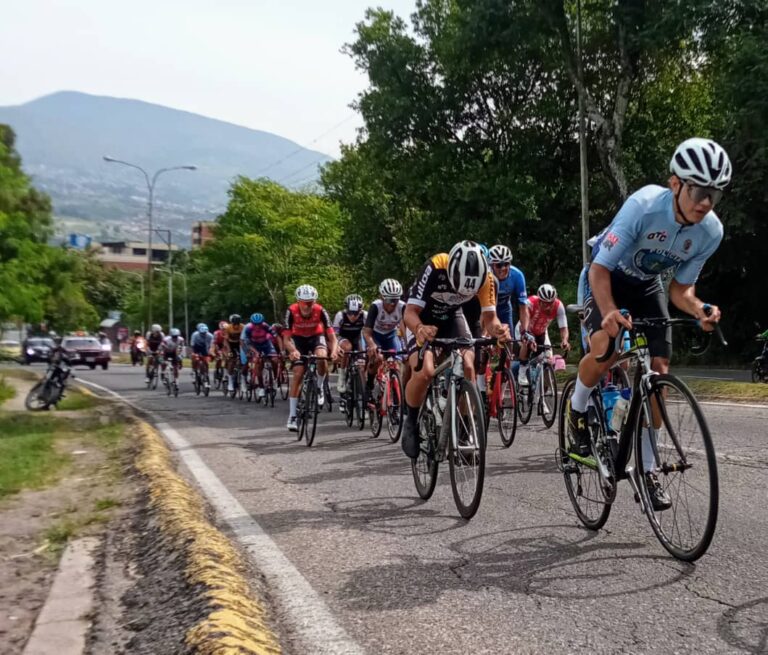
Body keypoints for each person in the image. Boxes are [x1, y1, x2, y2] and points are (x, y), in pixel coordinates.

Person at [568, 137, 731, 511]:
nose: (706, 202)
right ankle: (577, 407)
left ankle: (647, 464)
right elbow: (599, 267)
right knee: (605, 350)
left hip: (646, 286)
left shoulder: (710, 231)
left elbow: (681, 289)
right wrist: (608, 311)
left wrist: (700, 309)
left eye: (715, 195)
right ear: (676, 184)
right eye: (700, 191)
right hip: (606, 277)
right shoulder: (643, 205)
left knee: (659, 371)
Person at [401, 241, 509, 458]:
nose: (462, 292)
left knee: (469, 365)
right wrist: (420, 328)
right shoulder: (435, 266)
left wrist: (498, 330)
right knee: (425, 372)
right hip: (421, 318)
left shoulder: (486, 277)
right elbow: (409, 312)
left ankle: (464, 431)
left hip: (451, 316)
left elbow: (490, 318)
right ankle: (410, 421)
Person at [284, 285, 338, 431]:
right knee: (298, 373)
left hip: (316, 337)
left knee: (322, 357)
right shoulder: (291, 311)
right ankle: (293, 415)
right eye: (304, 302)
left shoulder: (320, 310)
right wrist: (293, 350)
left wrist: (333, 351)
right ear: (298, 301)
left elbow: (332, 336)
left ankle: (319, 387)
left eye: (311, 302)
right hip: (298, 339)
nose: (308, 306)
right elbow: (286, 338)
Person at [516, 284, 570, 385]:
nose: (548, 306)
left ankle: (541, 387)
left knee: (548, 358)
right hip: (525, 328)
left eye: (550, 303)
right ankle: (522, 372)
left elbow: (563, 328)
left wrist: (564, 340)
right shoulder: (531, 302)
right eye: (544, 303)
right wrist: (527, 336)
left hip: (541, 331)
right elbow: (525, 320)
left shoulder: (559, 306)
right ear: (539, 300)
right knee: (526, 343)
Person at [363, 280, 406, 400]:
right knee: (378, 358)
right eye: (389, 300)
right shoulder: (376, 306)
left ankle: (397, 392)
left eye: (395, 300)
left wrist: (408, 346)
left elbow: (406, 330)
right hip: (375, 335)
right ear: (382, 297)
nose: (392, 304)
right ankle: (369, 384)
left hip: (390, 335)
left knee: (398, 361)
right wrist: (371, 345)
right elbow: (366, 331)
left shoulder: (402, 307)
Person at [488, 244, 530, 335]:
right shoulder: (486, 275)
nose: (503, 268)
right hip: (487, 308)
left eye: (506, 264)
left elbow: (523, 307)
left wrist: (525, 331)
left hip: (504, 309)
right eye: (499, 265)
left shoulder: (517, 275)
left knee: (508, 339)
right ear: (491, 265)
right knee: (483, 339)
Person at [333, 294, 367, 394]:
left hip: (357, 338)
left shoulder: (365, 315)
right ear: (346, 310)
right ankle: (342, 377)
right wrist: (336, 348)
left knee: (363, 356)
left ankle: (362, 379)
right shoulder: (340, 316)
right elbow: (334, 334)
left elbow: (369, 333)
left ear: (360, 311)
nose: (352, 316)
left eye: (355, 313)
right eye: (350, 313)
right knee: (347, 348)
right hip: (343, 337)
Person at [241, 313, 279, 399]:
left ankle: (275, 380)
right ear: (252, 323)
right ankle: (261, 387)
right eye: (255, 324)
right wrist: (255, 352)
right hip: (254, 346)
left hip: (266, 344)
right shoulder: (248, 328)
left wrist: (282, 349)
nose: (258, 326)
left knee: (275, 360)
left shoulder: (265, 326)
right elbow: (247, 343)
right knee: (257, 363)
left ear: (262, 322)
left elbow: (276, 336)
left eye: (259, 324)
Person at [223, 314, 245, 393]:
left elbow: (245, 339)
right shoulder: (228, 328)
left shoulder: (243, 327)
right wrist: (229, 351)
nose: (236, 326)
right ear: (231, 323)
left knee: (244, 361)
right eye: (234, 324)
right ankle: (230, 381)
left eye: (237, 324)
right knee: (231, 360)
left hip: (240, 344)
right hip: (231, 344)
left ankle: (243, 379)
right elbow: (225, 341)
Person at [190, 323, 213, 388]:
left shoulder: (210, 336)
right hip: (196, 347)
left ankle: (206, 375)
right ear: (199, 332)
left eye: (204, 333)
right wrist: (193, 353)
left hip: (205, 348)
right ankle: (194, 371)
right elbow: (192, 345)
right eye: (202, 334)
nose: (203, 335)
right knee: (195, 358)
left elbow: (212, 345)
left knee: (206, 361)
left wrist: (211, 352)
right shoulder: (195, 335)